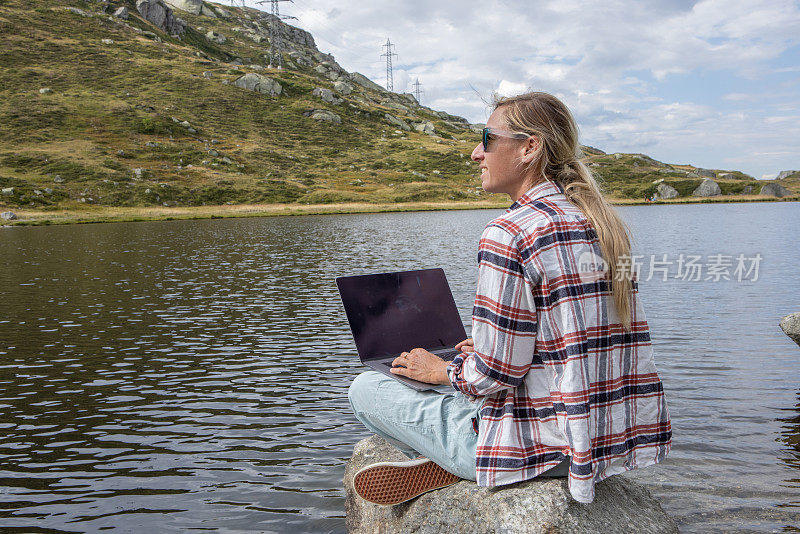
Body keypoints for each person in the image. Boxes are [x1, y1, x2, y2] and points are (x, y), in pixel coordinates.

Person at [347, 91, 672, 506]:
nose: (475, 153)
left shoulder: (510, 233)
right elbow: (574, 342)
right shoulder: (602, 223)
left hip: (543, 449)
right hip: (603, 443)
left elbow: (495, 375)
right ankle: (453, 459)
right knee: (458, 374)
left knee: (365, 389)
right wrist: (479, 352)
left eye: (487, 138)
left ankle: (468, 461)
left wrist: (444, 370)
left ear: (529, 147)